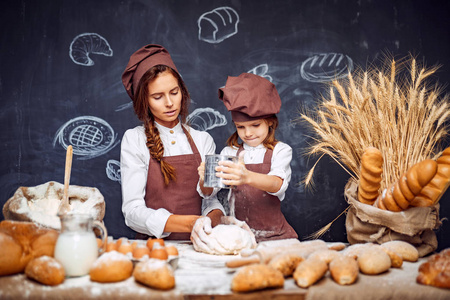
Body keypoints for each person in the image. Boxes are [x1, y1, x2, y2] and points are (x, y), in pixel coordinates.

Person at [120, 44, 226, 242]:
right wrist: (189, 223)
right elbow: (132, 211)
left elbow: (210, 200)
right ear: (145, 101)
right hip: (154, 249)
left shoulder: (204, 140)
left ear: (182, 91)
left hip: (201, 245)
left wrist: (214, 219)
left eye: (174, 92)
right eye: (158, 97)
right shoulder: (134, 140)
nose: (169, 103)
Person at [200, 73, 298, 242]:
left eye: (255, 125)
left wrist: (247, 177)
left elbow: (277, 185)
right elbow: (209, 193)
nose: (248, 133)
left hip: (275, 236)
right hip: (239, 236)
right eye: (241, 127)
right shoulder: (229, 153)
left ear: (270, 122)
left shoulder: (280, 151)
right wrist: (204, 179)